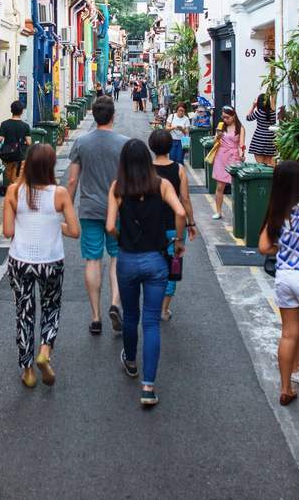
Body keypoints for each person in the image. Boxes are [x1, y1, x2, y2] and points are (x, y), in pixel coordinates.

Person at [106, 139, 187, 407]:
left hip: (128, 259)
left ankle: (130, 361)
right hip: (156, 261)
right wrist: (177, 242)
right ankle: (148, 388)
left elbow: (109, 226)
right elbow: (180, 211)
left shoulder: (118, 187)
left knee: (131, 316)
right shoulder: (162, 185)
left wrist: (121, 236)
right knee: (151, 322)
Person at [2, 143, 80, 387]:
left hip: (20, 261)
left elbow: (7, 231)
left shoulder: (14, 191)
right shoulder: (59, 194)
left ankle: (27, 371)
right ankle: (45, 351)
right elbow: (75, 231)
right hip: (50, 260)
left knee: (24, 313)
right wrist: (54, 225)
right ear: (50, 166)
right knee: (51, 308)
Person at [65, 96, 128, 335]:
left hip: (90, 209)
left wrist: (68, 208)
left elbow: (72, 180)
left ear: (93, 114)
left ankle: (95, 317)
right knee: (117, 257)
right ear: (113, 116)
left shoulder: (81, 143)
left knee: (92, 260)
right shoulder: (124, 144)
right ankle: (114, 303)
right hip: (118, 210)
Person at [148, 129, 197, 322]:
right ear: (170, 147)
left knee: (151, 264)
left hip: (150, 225)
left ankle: (151, 304)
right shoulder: (178, 169)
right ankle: (164, 309)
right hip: (173, 225)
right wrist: (191, 223)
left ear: (151, 146)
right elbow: (184, 199)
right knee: (173, 265)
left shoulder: (146, 169)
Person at [210, 105, 245, 220]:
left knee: (236, 187)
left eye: (227, 117)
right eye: (223, 117)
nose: (225, 119)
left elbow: (241, 145)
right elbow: (214, 140)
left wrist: (242, 154)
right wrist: (218, 136)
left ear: (233, 116)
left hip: (234, 157)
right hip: (221, 157)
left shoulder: (240, 128)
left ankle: (238, 213)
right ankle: (218, 211)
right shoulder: (221, 126)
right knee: (220, 186)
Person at [0, 100, 32, 188]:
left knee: (8, 176)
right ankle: (15, 194)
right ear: (22, 111)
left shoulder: (4, 124)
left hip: (7, 155)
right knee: (17, 177)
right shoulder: (25, 126)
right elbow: (29, 142)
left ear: (11, 110)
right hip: (20, 156)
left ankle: (9, 192)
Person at [246, 93, 277, 165]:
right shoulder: (273, 113)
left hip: (259, 138)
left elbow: (248, 118)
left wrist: (253, 106)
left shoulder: (259, 113)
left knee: (260, 165)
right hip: (271, 138)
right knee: (269, 164)